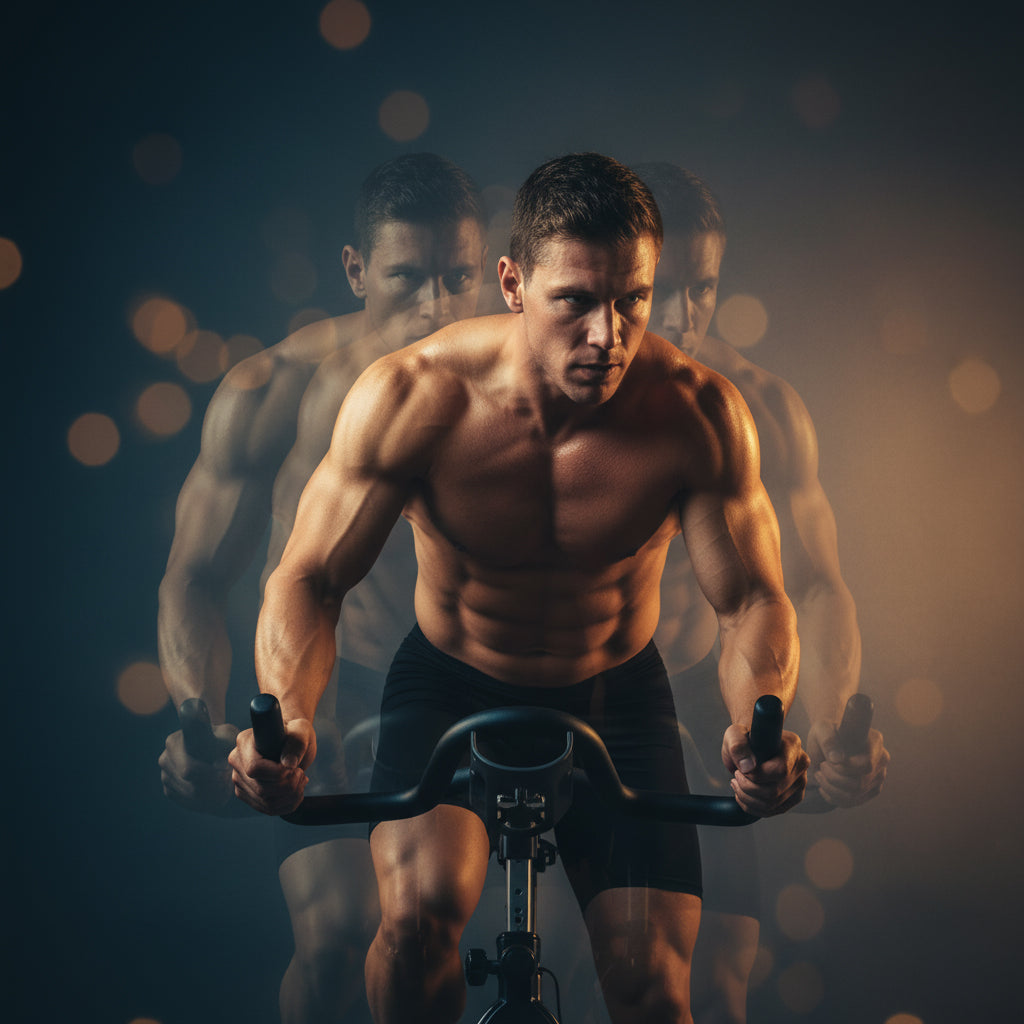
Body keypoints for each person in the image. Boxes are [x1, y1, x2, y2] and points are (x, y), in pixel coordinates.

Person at [229, 152, 810, 1024]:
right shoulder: (412, 396)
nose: (608, 336)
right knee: (415, 928)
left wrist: (757, 721)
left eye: (634, 300)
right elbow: (310, 576)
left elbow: (752, 600)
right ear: (512, 284)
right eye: (575, 300)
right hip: (449, 681)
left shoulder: (699, 415)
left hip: (617, 693)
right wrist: (290, 714)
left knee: (654, 989)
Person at [157, 153, 489, 1023]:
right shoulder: (274, 391)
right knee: (338, 937)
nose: (436, 307)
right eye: (406, 278)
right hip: (337, 691)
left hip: (481, 685)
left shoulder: (529, 380)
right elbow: (196, 575)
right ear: (355, 271)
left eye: (457, 278)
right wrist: (202, 716)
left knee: (527, 949)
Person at [636, 161, 890, 1023]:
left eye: (702, 289)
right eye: (661, 290)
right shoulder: (559, 395)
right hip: (572, 697)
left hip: (703, 697)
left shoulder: (763, 407)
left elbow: (814, 585)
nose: (682, 317)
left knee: (718, 989)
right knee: (596, 970)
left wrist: (831, 716)